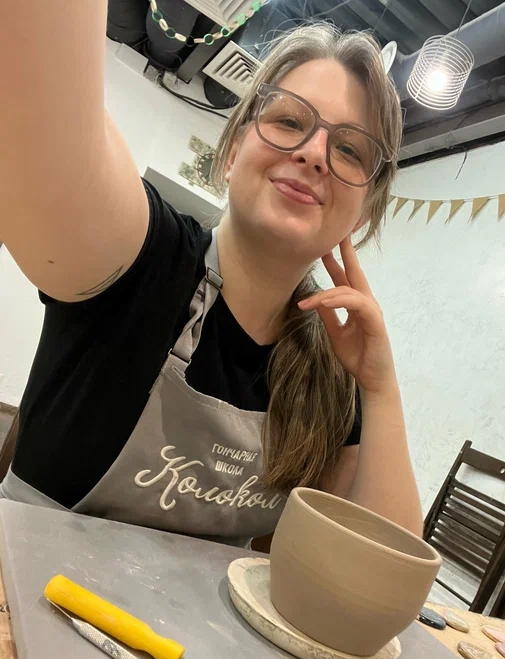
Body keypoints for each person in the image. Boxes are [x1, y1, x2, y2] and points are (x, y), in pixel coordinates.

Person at [0, 6, 422, 546]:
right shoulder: (141, 256)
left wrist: (380, 389)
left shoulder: (334, 371)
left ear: (361, 215)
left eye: (349, 149)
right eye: (289, 121)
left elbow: (377, 566)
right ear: (232, 152)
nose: (315, 153)